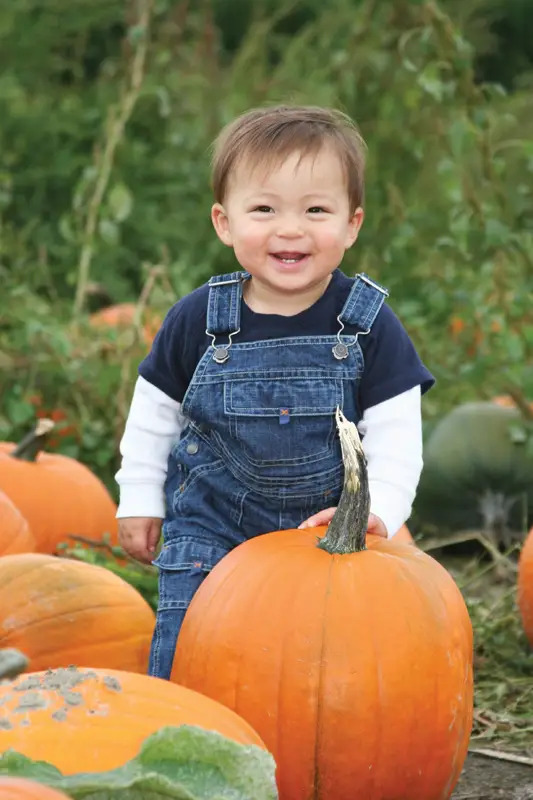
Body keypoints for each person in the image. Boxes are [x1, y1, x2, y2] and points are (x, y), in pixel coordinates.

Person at [116, 105, 434, 680]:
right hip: (211, 523)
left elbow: (396, 434)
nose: (291, 229)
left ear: (352, 224)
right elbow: (153, 412)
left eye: (316, 210)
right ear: (224, 222)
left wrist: (379, 509)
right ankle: (179, 737)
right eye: (264, 209)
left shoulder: (368, 324)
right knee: (188, 637)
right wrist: (139, 496)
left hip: (326, 531)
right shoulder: (199, 318)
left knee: (330, 669)